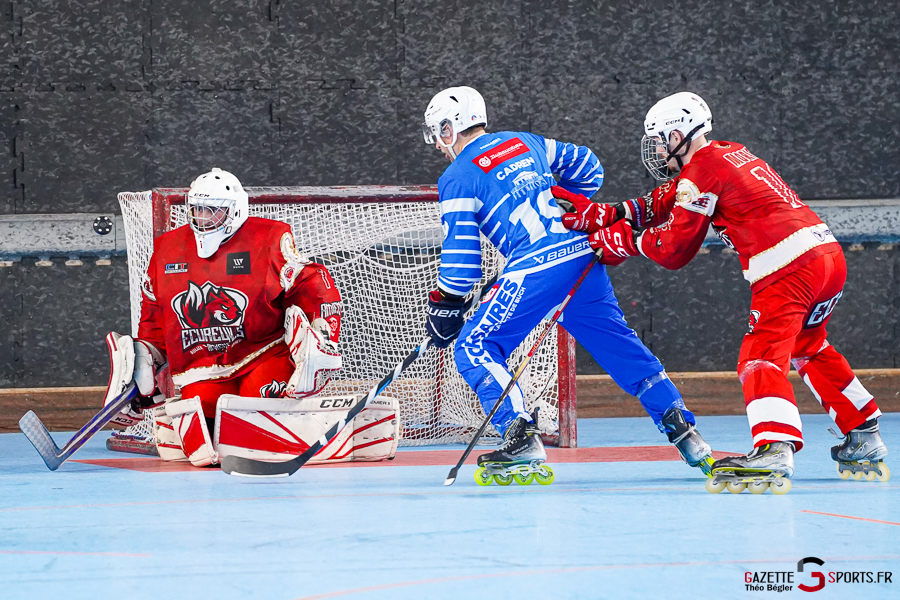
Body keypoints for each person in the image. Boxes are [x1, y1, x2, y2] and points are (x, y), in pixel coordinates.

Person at [559, 92, 889, 490]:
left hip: (788, 267)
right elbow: (668, 199)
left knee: (760, 359)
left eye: (661, 141)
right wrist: (610, 213)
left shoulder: (701, 172)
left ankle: (774, 447)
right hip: (827, 256)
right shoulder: (727, 153)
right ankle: (863, 432)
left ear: (678, 134)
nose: (660, 152)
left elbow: (675, 248)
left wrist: (623, 241)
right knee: (808, 345)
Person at [421, 86, 715, 484]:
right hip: (581, 254)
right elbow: (589, 167)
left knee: (474, 347)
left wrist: (446, 304)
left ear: (448, 128)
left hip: (535, 266)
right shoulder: (526, 141)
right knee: (620, 345)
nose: (439, 147)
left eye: (436, 136)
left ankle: (521, 436)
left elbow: (462, 260)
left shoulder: (455, 177)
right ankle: (684, 430)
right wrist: (568, 208)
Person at [103, 168, 345, 466]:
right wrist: (144, 365)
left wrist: (323, 333)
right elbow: (155, 317)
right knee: (199, 422)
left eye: (212, 211)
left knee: (253, 411)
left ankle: (305, 427)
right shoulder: (168, 249)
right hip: (202, 366)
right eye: (197, 210)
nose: (202, 219)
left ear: (235, 210)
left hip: (262, 354)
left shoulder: (268, 238)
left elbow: (312, 282)